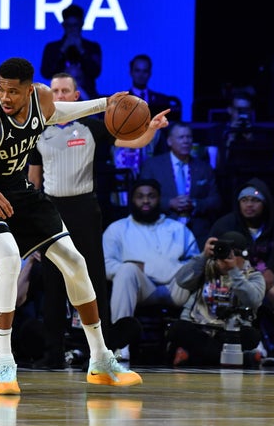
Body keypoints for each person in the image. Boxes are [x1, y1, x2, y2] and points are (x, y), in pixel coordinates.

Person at [0, 57, 164, 394]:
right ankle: (3, 364)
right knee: (7, 260)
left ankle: (100, 360)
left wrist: (106, 102)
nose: (5, 97)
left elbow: (60, 113)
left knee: (75, 263)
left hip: (21, 192)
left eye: (13, 92)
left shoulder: (44, 99)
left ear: (30, 90)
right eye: (1, 89)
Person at [26, 72, 115, 368]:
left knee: (93, 281)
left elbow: (129, 141)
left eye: (66, 91)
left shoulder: (91, 127)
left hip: (85, 209)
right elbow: (33, 183)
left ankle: (101, 352)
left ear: (77, 97)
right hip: (51, 210)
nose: (60, 95)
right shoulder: (37, 132)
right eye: (55, 91)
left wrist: (150, 128)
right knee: (52, 283)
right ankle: (53, 354)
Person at [102, 178, 200, 361]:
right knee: (126, 271)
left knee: (197, 271)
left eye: (151, 196)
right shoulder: (117, 229)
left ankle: (192, 346)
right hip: (142, 289)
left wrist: (148, 267)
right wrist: (135, 267)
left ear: (159, 199)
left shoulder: (178, 229)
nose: (145, 201)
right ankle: (121, 346)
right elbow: (106, 265)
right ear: (132, 200)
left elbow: (195, 264)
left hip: (176, 288)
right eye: (140, 197)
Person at [167, 231, 265, 367]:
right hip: (199, 328)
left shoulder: (253, 276)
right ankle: (239, 359)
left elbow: (253, 301)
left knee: (251, 336)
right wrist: (203, 256)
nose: (225, 257)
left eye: (232, 253)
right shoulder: (205, 267)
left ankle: (194, 356)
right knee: (178, 329)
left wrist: (233, 272)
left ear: (243, 255)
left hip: (230, 332)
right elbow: (181, 281)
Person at [207, 177, 274, 292]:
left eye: (255, 200)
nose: (249, 205)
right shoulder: (225, 225)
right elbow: (212, 256)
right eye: (244, 200)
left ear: (265, 203)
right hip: (233, 281)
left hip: (271, 284)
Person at [139, 121, 221, 246]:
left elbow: (215, 200)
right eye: (181, 137)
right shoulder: (152, 166)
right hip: (162, 229)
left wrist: (195, 203)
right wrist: (169, 203)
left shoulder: (204, 167)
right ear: (169, 141)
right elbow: (141, 198)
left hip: (197, 233)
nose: (186, 141)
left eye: (189, 137)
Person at [40, 4, 101, 100]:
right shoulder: (52, 48)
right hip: (59, 97)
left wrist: (81, 50)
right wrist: (62, 50)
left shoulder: (92, 47)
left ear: (82, 24)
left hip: (87, 97)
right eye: (68, 25)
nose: (72, 29)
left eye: (75, 25)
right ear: (63, 26)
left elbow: (95, 72)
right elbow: (46, 73)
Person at [128, 54, 180, 122]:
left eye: (145, 71)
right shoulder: (121, 100)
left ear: (150, 73)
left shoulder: (162, 100)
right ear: (131, 72)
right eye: (137, 70)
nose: (141, 75)